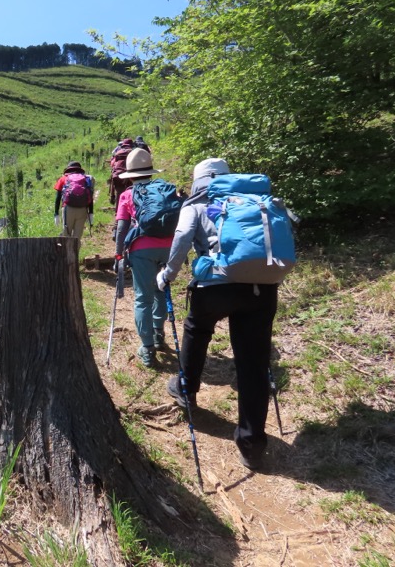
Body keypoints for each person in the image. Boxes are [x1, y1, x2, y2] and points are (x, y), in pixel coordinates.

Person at [156, 158, 278, 470]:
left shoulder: (195, 204)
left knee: (197, 330)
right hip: (261, 288)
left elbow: (182, 239)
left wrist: (167, 275)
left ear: (197, 180)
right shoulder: (252, 201)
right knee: (253, 362)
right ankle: (252, 444)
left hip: (214, 287)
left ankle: (187, 388)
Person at [113, 148, 172, 367]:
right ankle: (159, 333)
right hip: (168, 247)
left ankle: (147, 347)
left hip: (141, 249)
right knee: (160, 291)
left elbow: (122, 228)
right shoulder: (165, 189)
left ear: (131, 174)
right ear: (150, 171)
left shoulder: (127, 195)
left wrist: (119, 253)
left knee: (143, 297)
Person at [53, 161, 94, 238]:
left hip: (68, 209)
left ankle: (66, 250)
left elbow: (58, 197)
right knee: (77, 237)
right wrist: (91, 213)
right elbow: (90, 196)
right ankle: (75, 250)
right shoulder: (86, 179)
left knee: (66, 235)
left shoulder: (63, 179)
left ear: (68, 169)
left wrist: (56, 214)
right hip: (83, 209)